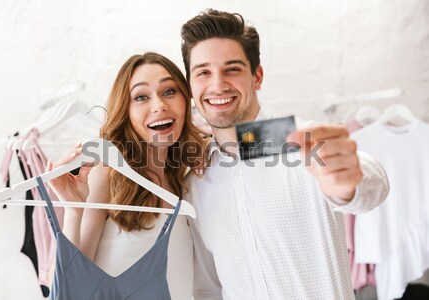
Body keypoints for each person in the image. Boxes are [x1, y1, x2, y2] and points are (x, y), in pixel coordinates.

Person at [180, 9, 390, 299]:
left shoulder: (304, 140)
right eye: (203, 72)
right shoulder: (196, 181)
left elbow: (373, 186)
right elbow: (207, 286)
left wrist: (349, 184)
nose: (217, 85)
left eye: (232, 69)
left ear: (257, 77)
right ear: (191, 85)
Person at [46, 52, 204, 299]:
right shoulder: (107, 175)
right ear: (126, 110)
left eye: (170, 91)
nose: (159, 105)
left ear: (186, 100)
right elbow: (74, 284)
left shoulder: (184, 181)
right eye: (141, 97)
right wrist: (73, 209)